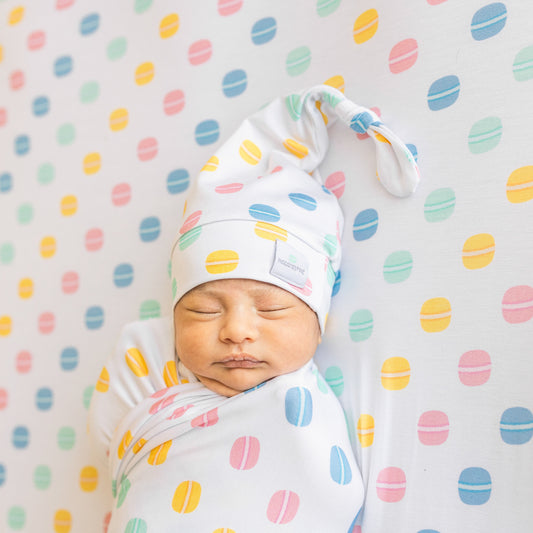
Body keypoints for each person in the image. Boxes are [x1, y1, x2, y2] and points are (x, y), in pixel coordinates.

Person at [88, 84, 419, 531]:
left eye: (270, 309)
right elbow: (119, 442)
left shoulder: (302, 411)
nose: (236, 330)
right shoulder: (145, 358)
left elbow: (329, 498)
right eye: (205, 310)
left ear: (318, 324)